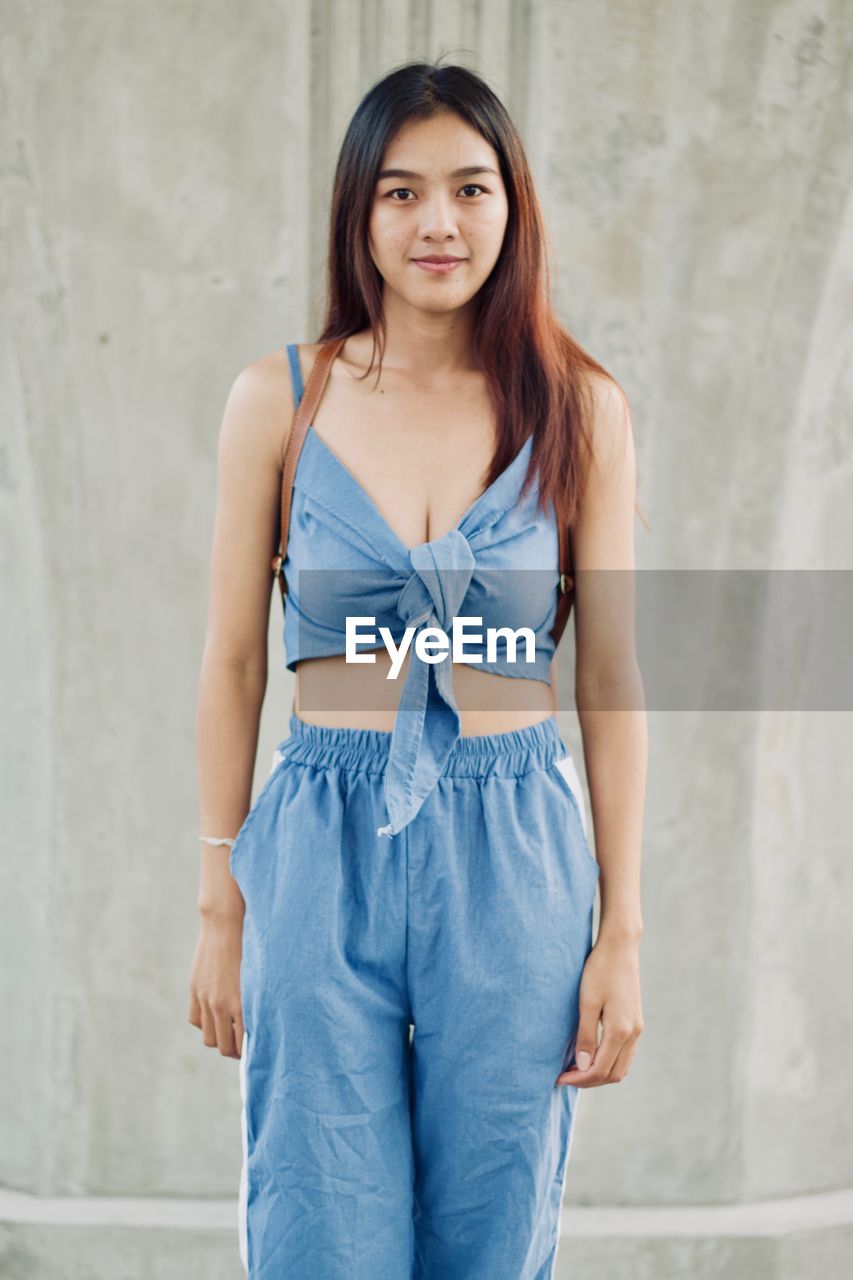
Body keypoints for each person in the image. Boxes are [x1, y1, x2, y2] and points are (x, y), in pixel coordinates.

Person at [188, 59, 646, 1280]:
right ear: (358, 212)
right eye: (400, 193)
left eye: (469, 188)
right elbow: (235, 661)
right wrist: (219, 898)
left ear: (514, 205)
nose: (437, 223)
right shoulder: (277, 399)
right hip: (319, 833)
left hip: (515, 843)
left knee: (493, 1226)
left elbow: (608, 672)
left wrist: (625, 931)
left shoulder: (582, 407)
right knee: (315, 1215)